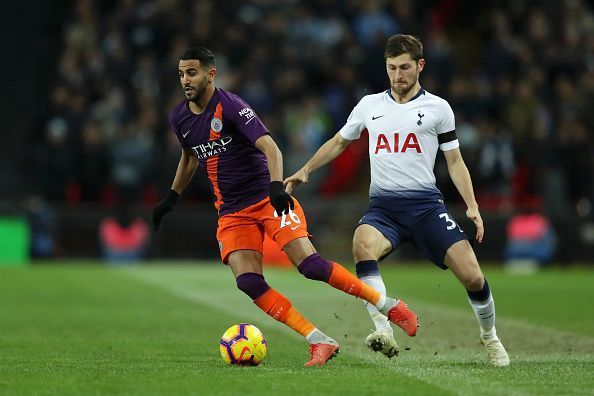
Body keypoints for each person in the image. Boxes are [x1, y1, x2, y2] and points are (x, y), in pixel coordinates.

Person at [152, 46, 419, 367]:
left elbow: (271, 148)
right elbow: (190, 155)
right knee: (248, 282)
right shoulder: (179, 116)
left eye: (191, 73)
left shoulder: (231, 106)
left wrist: (277, 187)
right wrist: (171, 197)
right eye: (181, 74)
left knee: (311, 266)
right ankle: (319, 340)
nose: (185, 80)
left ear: (211, 74)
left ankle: (389, 305)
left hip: (267, 199)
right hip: (232, 213)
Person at [285, 35, 510, 367]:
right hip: (384, 210)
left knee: (473, 276)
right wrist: (305, 169)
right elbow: (338, 142)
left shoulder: (438, 108)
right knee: (362, 245)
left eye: (404, 67)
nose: (398, 75)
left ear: (420, 66)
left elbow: (455, 161)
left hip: (426, 208)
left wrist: (472, 205)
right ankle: (382, 329)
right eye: (392, 68)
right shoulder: (369, 106)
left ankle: (490, 338)